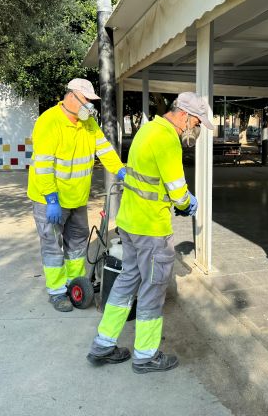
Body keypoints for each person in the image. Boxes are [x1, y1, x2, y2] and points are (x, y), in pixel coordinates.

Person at [86, 91, 214, 372]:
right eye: (195, 123)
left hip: (130, 223)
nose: (194, 129)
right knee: (153, 290)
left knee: (125, 283)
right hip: (151, 229)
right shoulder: (168, 139)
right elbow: (177, 189)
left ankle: (103, 344)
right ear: (184, 115)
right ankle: (145, 356)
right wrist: (186, 202)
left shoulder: (147, 130)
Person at [28, 78, 126, 312]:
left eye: (92, 103)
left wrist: (121, 171)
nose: (90, 107)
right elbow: (43, 165)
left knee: (77, 244)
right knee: (52, 246)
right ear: (71, 96)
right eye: (87, 101)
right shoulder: (48, 122)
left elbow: (104, 149)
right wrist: (51, 198)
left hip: (77, 199)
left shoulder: (89, 123)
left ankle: (74, 284)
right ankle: (56, 291)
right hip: (50, 199)